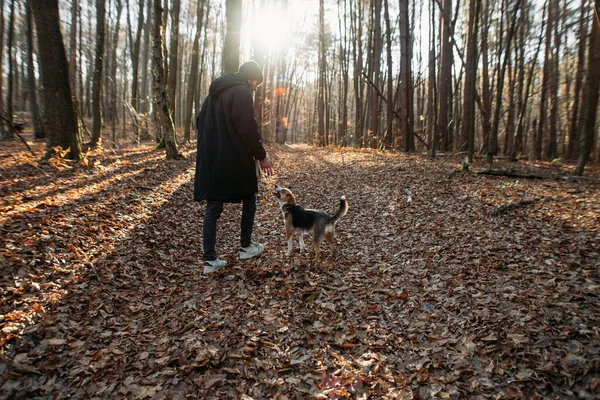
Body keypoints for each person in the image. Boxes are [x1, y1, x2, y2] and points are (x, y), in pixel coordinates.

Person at [194, 60, 274, 274]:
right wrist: (262, 155)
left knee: (213, 207)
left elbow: (199, 122)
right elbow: (247, 128)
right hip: (233, 158)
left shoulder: (213, 93)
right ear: (250, 77)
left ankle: (209, 260)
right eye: (256, 82)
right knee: (249, 197)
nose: (256, 87)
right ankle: (246, 246)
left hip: (212, 159)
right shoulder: (241, 92)